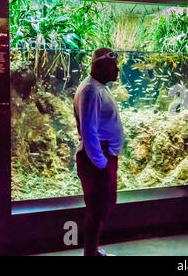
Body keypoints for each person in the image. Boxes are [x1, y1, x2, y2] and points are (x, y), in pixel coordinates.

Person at [74, 48, 124, 256]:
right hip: (97, 159)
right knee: (97, 209)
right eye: (114, 65)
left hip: (103, 156)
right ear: (101, 66)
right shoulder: (91, 91)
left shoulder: (98, 87)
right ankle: (90, 254)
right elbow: (89, 130)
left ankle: (92, 251)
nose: (118, 69)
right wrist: (101, 163)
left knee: (101, 208)